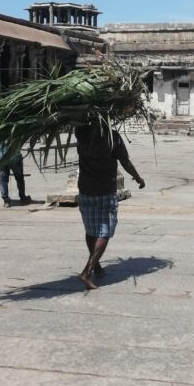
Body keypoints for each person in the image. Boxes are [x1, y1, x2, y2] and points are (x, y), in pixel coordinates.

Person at [76, 120, 145, 290]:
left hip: (85, 189)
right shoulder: (112, 137)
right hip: (105, 190)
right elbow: (125, 161)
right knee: (104, 231)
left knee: (91, 229)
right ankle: (87, 271)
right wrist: (138, 178)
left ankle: (97, 264)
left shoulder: (81, 133)